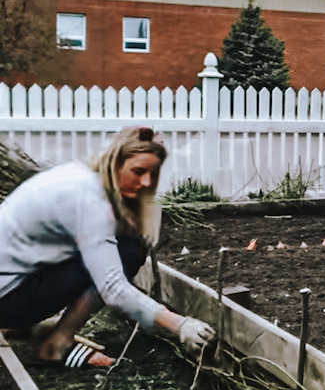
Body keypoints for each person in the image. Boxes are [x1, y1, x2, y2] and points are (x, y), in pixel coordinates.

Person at [0, 126, 215, 366]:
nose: (146, 182)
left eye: (153, 174)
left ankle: (14, 328)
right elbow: (113, 287)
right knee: (127, 252)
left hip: (9, 287)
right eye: (138, 171)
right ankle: (55, 345)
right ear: (116, 163)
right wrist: (181, 324)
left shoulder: (83, 174)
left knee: (123, 247)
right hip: (8, 299)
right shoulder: (90, 200)